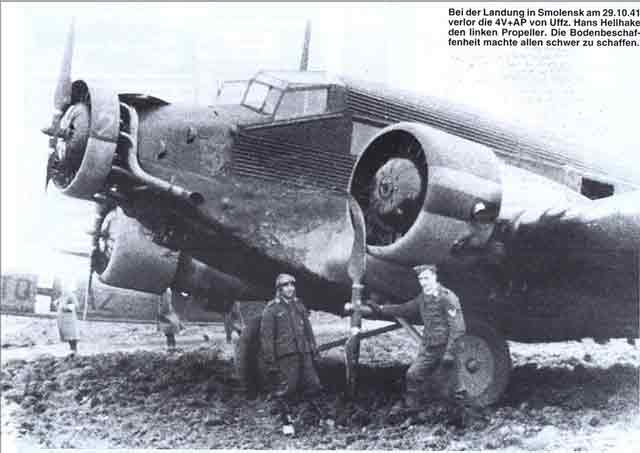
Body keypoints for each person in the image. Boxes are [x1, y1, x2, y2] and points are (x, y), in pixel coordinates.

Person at [366, 265, 466, 409]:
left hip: (447, 347)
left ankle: (468, 417)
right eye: (421, 279)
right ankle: (413, 409)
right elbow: (405, 308)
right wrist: (381, 309)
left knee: (456, 388)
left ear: (434, 277)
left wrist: (450, 353)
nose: (423, 282)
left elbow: (458, 327)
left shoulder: (447, 297)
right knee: (413, 375)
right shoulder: (423, 298)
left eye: (426, 278)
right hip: (430, 347)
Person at [260, 273, 322, 400]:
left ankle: (305, 407)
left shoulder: (299, 305)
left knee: (315, 386)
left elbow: (308, 330)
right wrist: (271, 362)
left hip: (304, 351)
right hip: (287, 354)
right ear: (279, 289)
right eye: (286, 285)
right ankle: (279, 405)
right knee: (288, 390)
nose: (290, 288)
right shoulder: (272, 309)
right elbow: (267, 338)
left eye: (292, 285)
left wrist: (314, 349)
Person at [56, 291, 80, 355]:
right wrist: (58, 303)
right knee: (68, 335)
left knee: (72, 335)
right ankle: (72, 350)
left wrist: (63, 307)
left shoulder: (71, 296)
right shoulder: (63, 295)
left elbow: (73, 306)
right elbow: (57, 302)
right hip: (64, 319)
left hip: (70, 319)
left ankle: (74, 350)